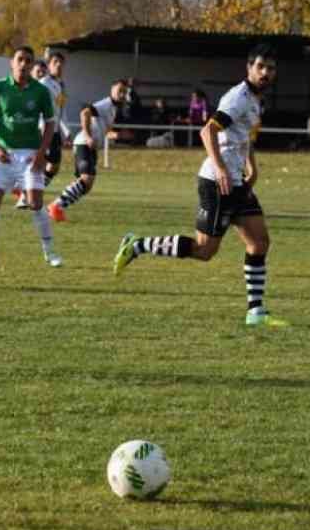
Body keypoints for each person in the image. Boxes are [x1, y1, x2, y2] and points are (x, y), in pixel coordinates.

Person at [112, 44, 288, 328]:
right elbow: (208, 131)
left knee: (259, 242)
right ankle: (138, 245)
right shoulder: (239, 97)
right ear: (249, 69)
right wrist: (220, 168)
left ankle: (255, 312)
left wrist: (251, 165)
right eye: (260, 67)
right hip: (217, 182)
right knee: (204, 250)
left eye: (271, 68)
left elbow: (243, 136)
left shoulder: (256, 100)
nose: (266, 73)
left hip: (237, 182)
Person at [0, 45, 61, 268]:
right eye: (20, 59)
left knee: (35, 202)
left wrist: (42, 154)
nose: (24, 64)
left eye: (28, 61)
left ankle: (50, 253)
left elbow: (51, 122)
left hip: (30, 155)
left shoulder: (41, 92)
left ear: (33, 65)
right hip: (3, 155)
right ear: (12, 63)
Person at [47, 79, 126, 222]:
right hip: (84, 144)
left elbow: (103, 128)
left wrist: (115, 135)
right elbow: (85, 113)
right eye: (119, 90)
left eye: (124, 92)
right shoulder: (106, 103)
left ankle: (57, 207)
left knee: (87, 185)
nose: (122, 94)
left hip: (90, 147)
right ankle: (56, 206)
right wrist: (88, 136)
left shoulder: (113, 109)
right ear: (112, 90)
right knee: (86, 179)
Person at [18, 51, 70, 209]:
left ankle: (31, 192)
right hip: (43, 129)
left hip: (54, 131)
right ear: (49, 66)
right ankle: (25, 196)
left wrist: (66, 132)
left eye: (61, 63)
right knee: (39, 163)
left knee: (53, 166)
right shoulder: (43, 83)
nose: (59, 65)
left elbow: (61, 109)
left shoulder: (61, 85)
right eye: (55, 62)